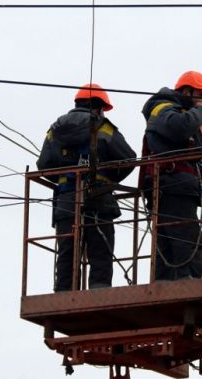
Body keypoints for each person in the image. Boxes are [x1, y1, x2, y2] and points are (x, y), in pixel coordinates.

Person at [37, 83, 136, 292]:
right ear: (98, 107)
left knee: (67, 249)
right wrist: (109, 179)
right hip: (98, 197)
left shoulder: (54, 130)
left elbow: (43, 165)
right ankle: (99, 290)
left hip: (66, 200)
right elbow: (129, 158)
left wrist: (66, 179)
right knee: (100, 248)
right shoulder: (103, 127)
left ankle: (63, 292)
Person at [140, 71, 202, 282]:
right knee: (185, 238)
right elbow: (179, 128)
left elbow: (195, 155)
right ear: (186, 91)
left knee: (175, 237)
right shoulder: (163, 109)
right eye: (201, 95)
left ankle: (168, 282)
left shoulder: (182, 114)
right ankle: (185, 280)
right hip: (172, 185)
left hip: (179, 185)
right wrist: (201, 111)